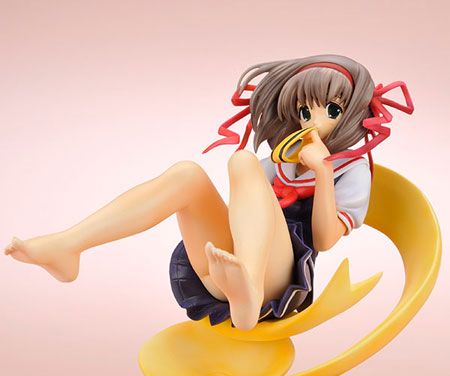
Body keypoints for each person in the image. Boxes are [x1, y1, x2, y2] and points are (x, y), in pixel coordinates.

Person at [4, 54, 414, 330]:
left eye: (332, 110)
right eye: (305, 111)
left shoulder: (350, 169)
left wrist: (323, 172)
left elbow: (324, 240)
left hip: (277, 284)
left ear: (354, 113)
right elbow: (244, 213)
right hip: (221, 277)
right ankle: (69, 245)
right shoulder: (281, 160)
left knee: (242, 161)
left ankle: (249, 286)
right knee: (188, 174)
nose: (313, 122)